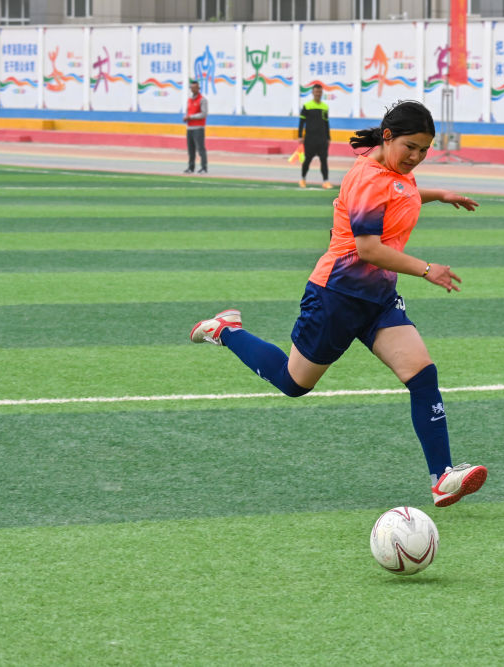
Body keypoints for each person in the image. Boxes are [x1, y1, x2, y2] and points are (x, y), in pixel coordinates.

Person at [190, 101, 487, 508]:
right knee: (294, 383)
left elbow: (400, 193)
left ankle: (443, 477)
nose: (416, 157)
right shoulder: (366, 178)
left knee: (422, 375)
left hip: (378, 300)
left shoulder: (394, 169)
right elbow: (368, 249)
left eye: (424, 150)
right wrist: (426, 269)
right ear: (388, 137)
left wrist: (439, 195)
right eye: (411, 148)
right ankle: (226, 330)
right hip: (335, 297)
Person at [297, 83, 331, 189]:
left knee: (324, 160)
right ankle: (303, 179)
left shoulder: (325, 107)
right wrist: (300, 135)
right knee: (307, 160)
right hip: (310, 139)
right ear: (312, 92)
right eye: (316, 92)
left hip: (322, 139)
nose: (318, 94)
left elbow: (326, 123)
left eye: (320, 92)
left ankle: (326, 181)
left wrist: (328, 137)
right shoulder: (307, 106)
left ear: (322, 93)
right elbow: (302, 122)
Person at [183, 79, 208, 174]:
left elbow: (204, 114)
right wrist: (186, 117)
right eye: (191, 88)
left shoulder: (202, 100)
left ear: (198, 88)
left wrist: (191, 117)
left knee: (200, 149)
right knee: (191, 149)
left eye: (195, 88)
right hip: (190, 128)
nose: (193, 89)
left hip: (198, 128)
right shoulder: (189, 100)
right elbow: (188, 111)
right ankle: (191, 167)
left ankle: (204, 167)